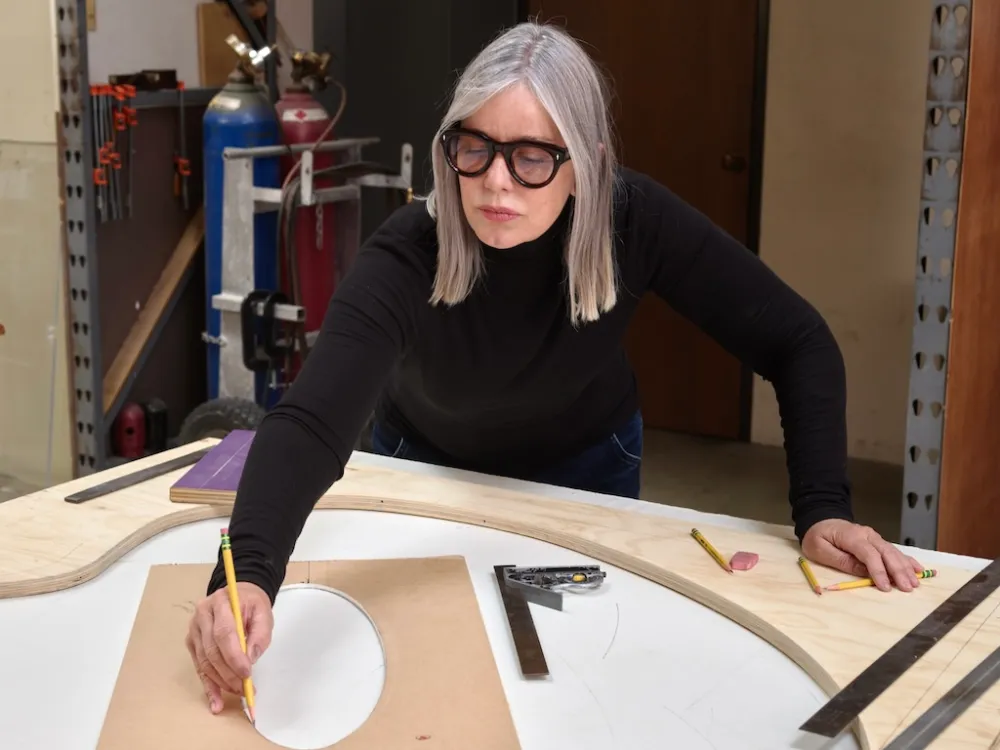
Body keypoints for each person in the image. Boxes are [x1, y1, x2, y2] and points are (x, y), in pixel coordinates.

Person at [185, 20, 924, 712]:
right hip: (424, 462)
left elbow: (797, 339)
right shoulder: (411, 250)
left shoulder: (634, 220)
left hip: (586, 469)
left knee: (579, 689)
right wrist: (248, 571)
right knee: (430, 676)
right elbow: (313, 422)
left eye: (533, 156)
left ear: (588, 161)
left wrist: (823, 507)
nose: (496, 182)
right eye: (473, 147)